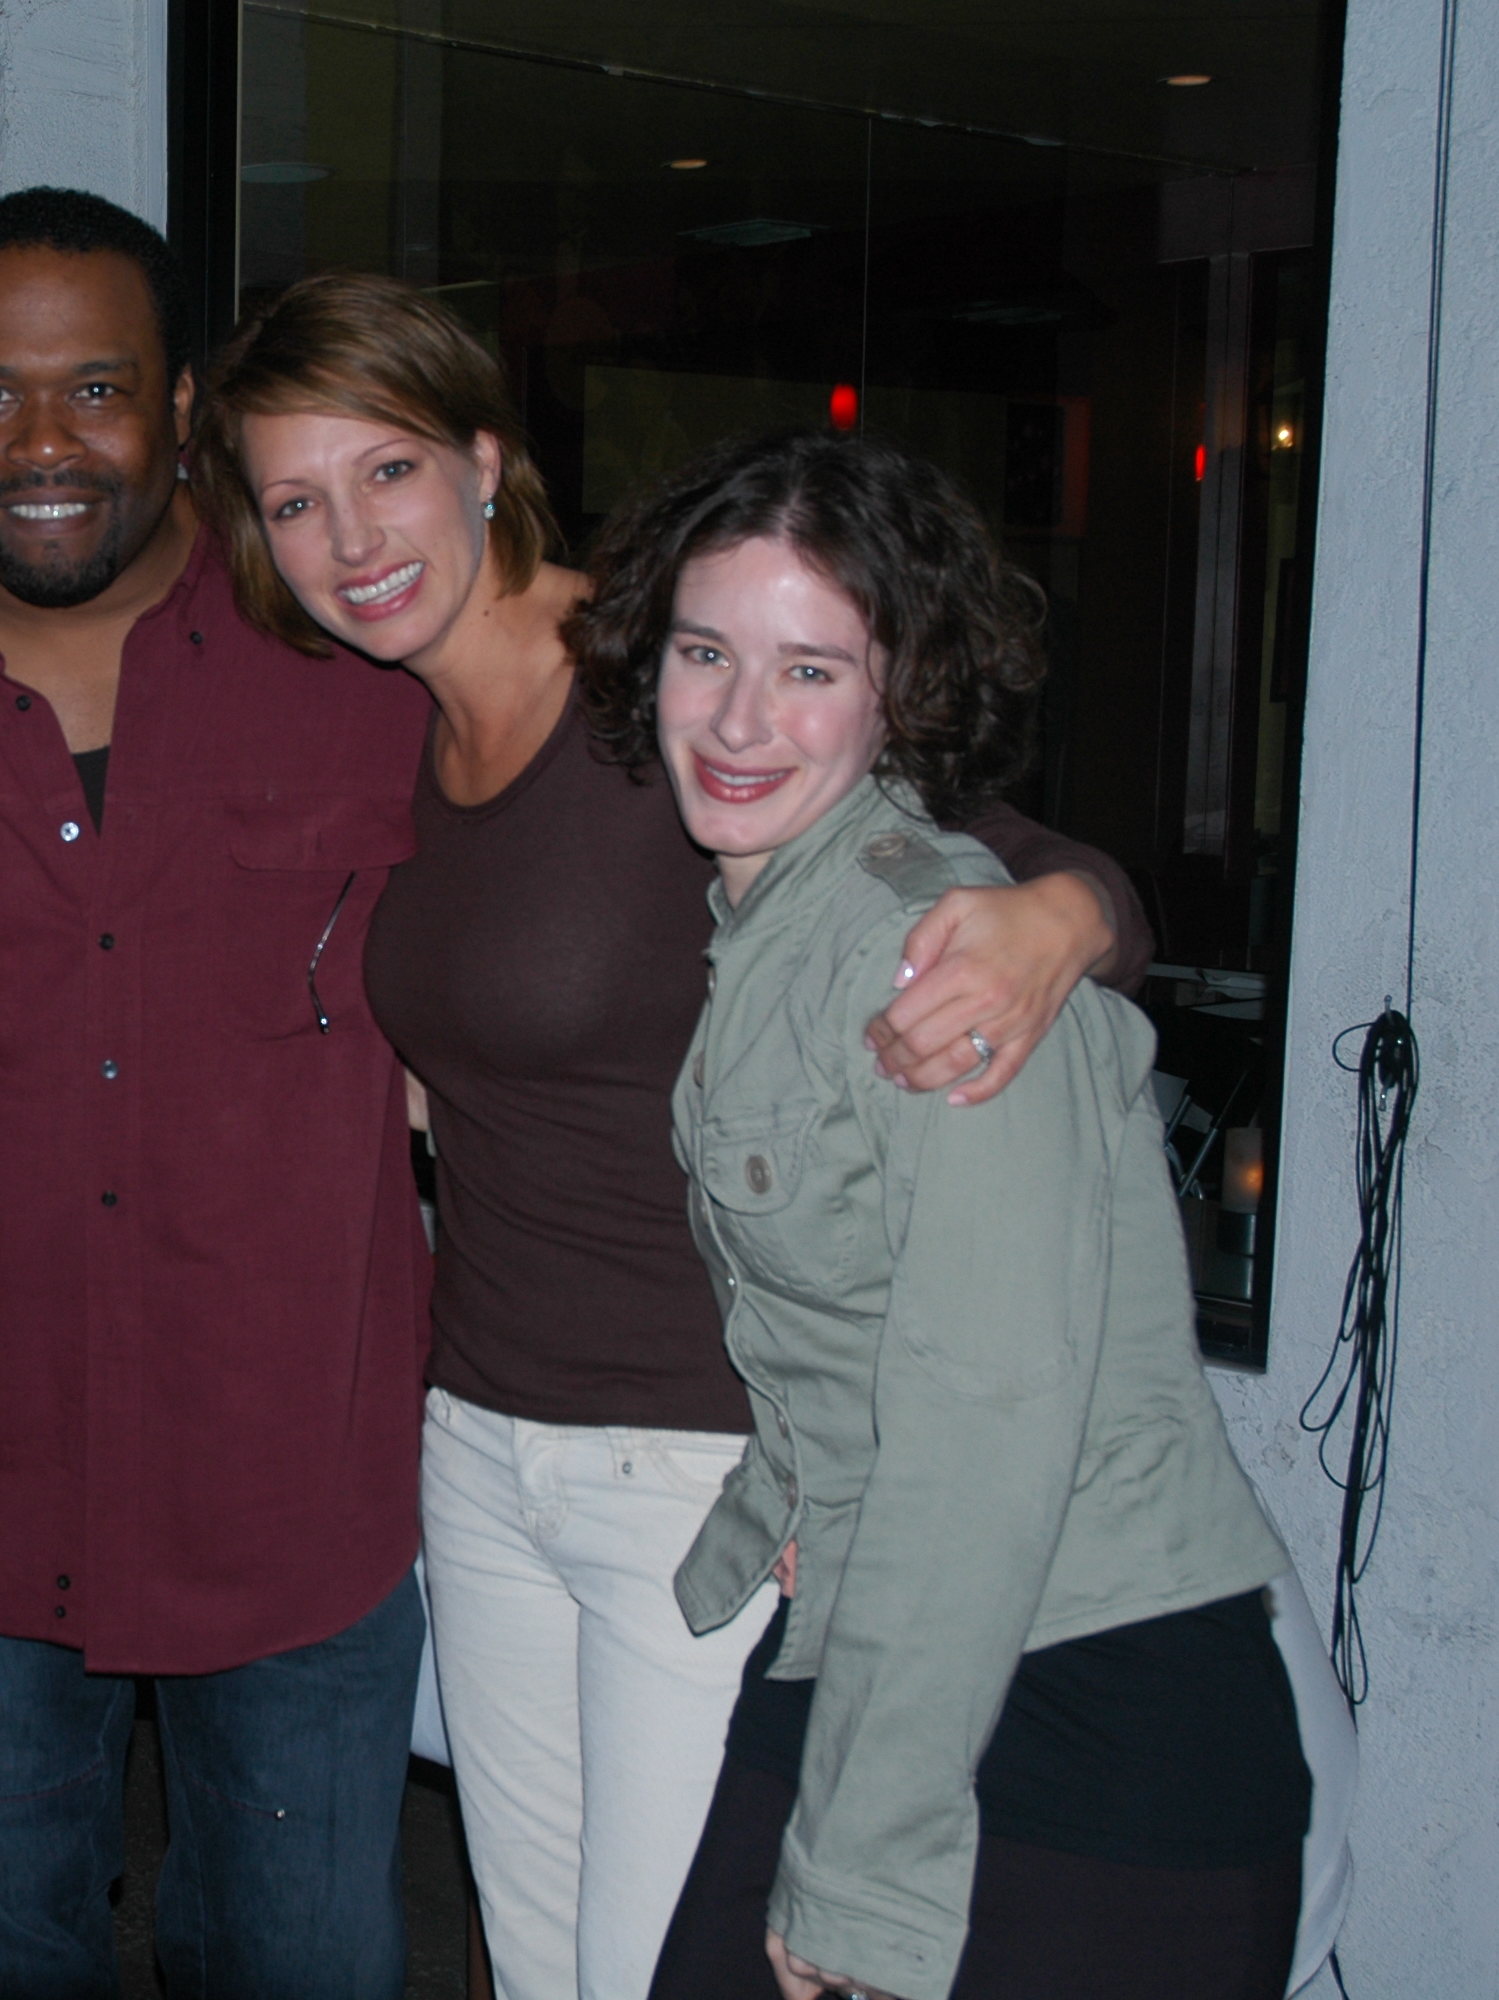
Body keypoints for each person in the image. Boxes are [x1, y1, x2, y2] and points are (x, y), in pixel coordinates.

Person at [187, 272, 1148, 2000]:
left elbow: (1024, 865)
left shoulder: (657, 677)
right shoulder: (392, 727)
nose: (349, 538)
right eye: (291, 501)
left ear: (483, 459)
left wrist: (1052, 924)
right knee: (539, 1963)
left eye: (386, 470)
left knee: (666, 1968)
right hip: (480, 1446)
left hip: (700, 1469)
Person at [571, 429, 1307, 2000]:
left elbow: (984, 1428)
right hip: (888, 1627)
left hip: (1090, 1699)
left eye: (813, 669)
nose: (741, 719)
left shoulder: (932, 962)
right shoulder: (778, 921)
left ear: (904, 690)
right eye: (707, 651)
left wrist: (863, 1877)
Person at [0, 189, 436, 1999]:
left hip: (293, 1501)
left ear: (180, 406)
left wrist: (1055, 900)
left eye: (95, 387)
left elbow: (685, 811)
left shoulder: (359, 654)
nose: (42, 446)